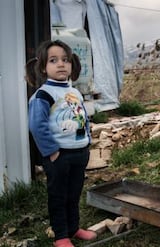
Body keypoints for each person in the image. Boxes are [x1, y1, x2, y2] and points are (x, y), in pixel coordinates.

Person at [27, 40, 97, 247]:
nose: (61, 64)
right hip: (59, 155)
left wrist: (87, 141)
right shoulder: (43, 95)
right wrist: (52, 151)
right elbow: (37, 126)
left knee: (74, 193)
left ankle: (74, 228)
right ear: (43, 67)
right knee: (58, 195)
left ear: (71, 65)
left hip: (79, 152)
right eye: (53, 60)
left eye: (65, 60)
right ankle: (61, 236)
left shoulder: (74, 92)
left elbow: (82, 117)